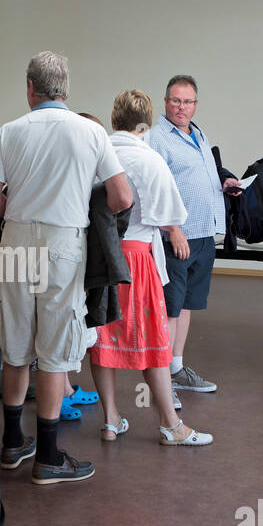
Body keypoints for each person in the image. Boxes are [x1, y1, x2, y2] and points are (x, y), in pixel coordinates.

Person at [0, 51, 132, 486]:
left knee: (16, 343)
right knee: (56, 349)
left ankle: (12, 444)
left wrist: (25, 208)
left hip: (16, 243)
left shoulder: (9, 131)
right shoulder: (90, 132)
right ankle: (48, 457)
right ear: (65, 87)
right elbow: (122, 198)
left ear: (30, 88)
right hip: (64, 243)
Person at [88, 89, 210, 446]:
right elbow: (171, 216)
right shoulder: (151, 159)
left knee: (102, 333)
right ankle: (170, 424)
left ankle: (110, 419)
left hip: (100, 255)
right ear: (146, 121)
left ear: (114, 117)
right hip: (137, 256)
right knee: (153, 338)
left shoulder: (100, 153)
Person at [146, 74, 242, 399]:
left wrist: (224, 183)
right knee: (169, 309)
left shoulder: (197, 133)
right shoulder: (157, 138)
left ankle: (176, 367)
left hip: (202, 234)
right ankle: (162, 385)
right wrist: (172, 229)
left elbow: (201, 174)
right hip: (177, 236)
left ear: (195, 104)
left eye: (187, 102)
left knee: (185, 306)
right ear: (165, 102)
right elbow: (153, 190)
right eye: (176, 100)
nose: (181, 107)